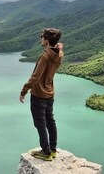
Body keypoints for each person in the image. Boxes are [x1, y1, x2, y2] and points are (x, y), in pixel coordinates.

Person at [19, 28, 64, 161]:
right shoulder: (59, 54)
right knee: (50, 121)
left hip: (39, 95)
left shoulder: (44, 57)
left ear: (47, 39)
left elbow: (35, 76)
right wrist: (59, 47)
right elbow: (60, 50)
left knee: (40, 124)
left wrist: (24, 90)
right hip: (50, 93)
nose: (41, 38)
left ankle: (46, 152)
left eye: (42, 36)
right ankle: (53, 149)